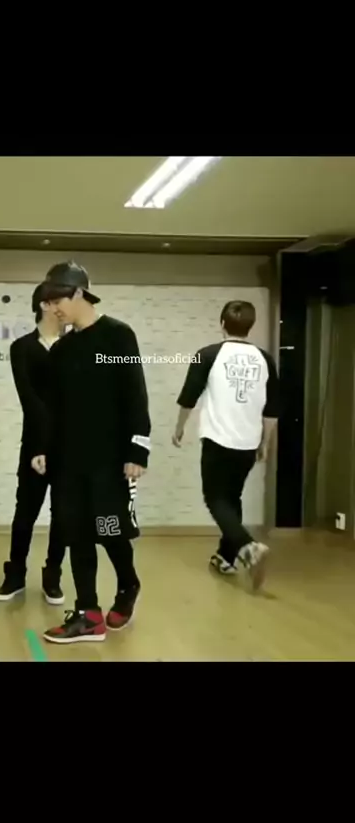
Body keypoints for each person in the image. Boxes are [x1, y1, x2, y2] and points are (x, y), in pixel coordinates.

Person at [33, 261, 151, 644]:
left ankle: (128, 584)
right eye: (48, 303)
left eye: (58, 300)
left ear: (80, 293)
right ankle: (88, 614)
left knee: (109, 529)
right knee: (76, 533)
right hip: (68, 461)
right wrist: (43, 448)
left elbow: (134, 393)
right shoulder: (62, 349)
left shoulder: (118, 336)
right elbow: (53, 407)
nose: (53, 308)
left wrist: (138, 449)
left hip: (109, 460)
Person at [172, 300, 279, 591]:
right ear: (250, 326)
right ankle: (226, 558)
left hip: (218, 441)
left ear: (222, 324)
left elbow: (189, 397)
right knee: (232, 498)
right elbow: (272, 408)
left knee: (215, 498)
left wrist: (179, 428)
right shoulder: (265, 359)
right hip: (248, 443)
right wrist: (265, 443)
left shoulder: (208, 355)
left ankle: (248, 547)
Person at [0, 283, 66, 604]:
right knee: (25, 512)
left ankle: (53, 576)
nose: (66, 307)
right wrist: (40, 447)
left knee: (62, 514)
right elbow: (30, 400)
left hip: (69, 445)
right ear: (45, 305)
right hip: (35, 442)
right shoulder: (22, 347)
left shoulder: (76, 345)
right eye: (60, 301)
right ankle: (15, 575)